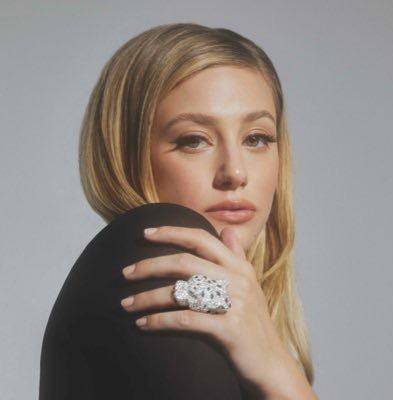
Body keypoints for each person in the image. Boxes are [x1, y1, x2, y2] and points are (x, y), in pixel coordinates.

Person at [39, 22, 318, 399]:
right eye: (194, 141)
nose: (235, 173)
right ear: (128, 155)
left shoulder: (242, 309)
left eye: (256, 138)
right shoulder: (161, 253)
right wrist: (278, 371)